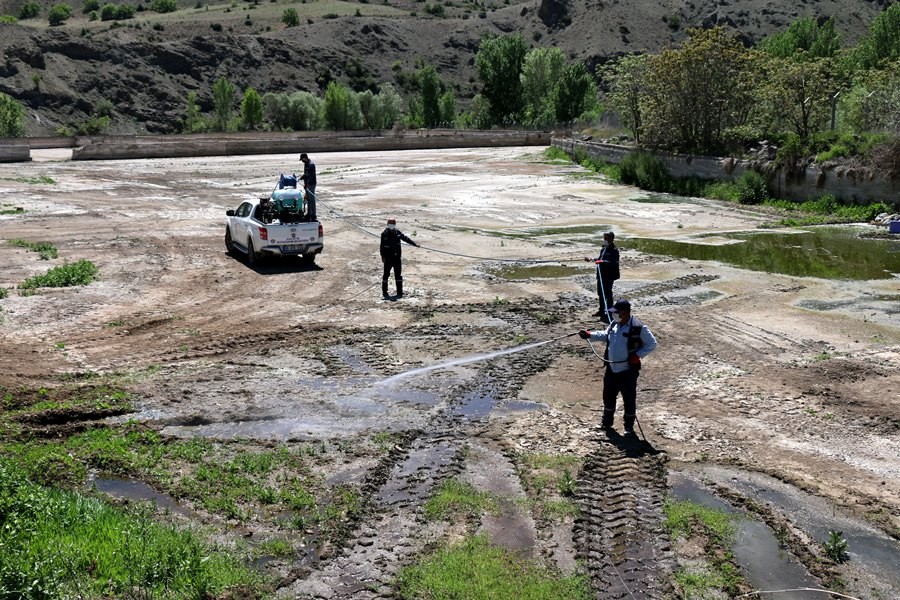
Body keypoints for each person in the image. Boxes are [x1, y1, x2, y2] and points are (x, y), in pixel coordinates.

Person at [578, 299, 657, 434]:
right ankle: (606, 423)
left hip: (627, 372)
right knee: (608, 396)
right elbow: (605, 335)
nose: (614, 315)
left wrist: (638, 355)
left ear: (625, 313)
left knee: (629, 399)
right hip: (611, 369)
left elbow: (652, 344)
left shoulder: (639, 328)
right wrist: (590, 335)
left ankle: (628, 428)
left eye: (616, 312)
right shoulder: (614, 324)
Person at [584, 231, 620, 321]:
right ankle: (601, 310)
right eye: (604, 238)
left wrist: (602, 262)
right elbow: (600, 259)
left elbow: (613, 263)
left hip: (609, 275)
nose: (605, 240)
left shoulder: (614, 250)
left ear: (611, 239)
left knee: (607, 294)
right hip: (601, 274)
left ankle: (610, 312)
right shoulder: (603, 248)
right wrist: (592, 259)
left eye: (606, 238)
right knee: (600, 293)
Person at [380, 218, 418, 298]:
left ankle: (400, 293)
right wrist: (382, 256)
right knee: (386, 275)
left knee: (398, 275)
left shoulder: (397, 232)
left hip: (397, 258)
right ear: (387, 224)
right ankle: (384, 292)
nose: (392, 225)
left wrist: (414, 244)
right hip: (388, 258)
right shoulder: (384, 234)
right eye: (390, 223)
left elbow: (405, 239)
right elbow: (382, 246)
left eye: (393, 223)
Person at [299, 153, 317, 222]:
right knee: (308, 199)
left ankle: (313, 215)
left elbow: (311, 176)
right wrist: (302, 178)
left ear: (305, 157)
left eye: (302, 159)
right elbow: (306, 174)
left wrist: (307, 184)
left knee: (312, 200)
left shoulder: (311, 164)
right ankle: (309, 213)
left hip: (311, 184)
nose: (302, 161)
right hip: (307, 184)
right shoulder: (306, 164)